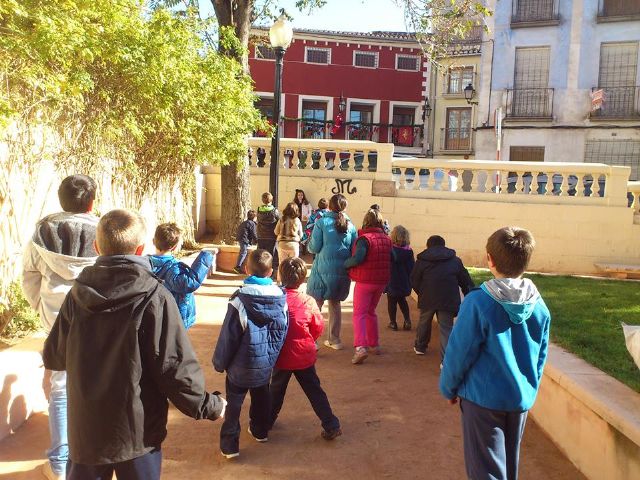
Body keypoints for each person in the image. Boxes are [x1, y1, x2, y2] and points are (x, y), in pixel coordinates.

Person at [42, 209, 225, 480]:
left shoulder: (76, 295)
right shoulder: (155, 297)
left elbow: (55, 356)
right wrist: (209, 405)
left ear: (96, 246)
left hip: (87, 433)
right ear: (141, 249)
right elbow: (174, 367)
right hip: (138, 435)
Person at [440, 227, 551, 480]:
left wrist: (449, 388)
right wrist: (529, 389)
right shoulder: (540, 306)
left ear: (489, 259)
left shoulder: (477, 302)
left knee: (486, 470)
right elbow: (540, 356)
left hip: (482, 400)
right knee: (508, 466)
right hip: (518, 399)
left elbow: (459, 353)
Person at [22, 174, 99, 480]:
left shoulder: (40, 234)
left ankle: (59, 463)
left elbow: (29, 277)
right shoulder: (102, 232)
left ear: (60, 199)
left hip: (55, 322)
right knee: (97, 383)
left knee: (59, 387)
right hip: (94, 322)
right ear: (91, 202)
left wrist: (42, 309)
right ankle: (92, 454)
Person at [213, 249, 289, 459]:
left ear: (246, 269)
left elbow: (228, 336)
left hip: (239, 367)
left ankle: (230, 446)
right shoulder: (281, 300)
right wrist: (272, 357)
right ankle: (260, 431)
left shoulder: (239, 301)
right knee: (261, 396)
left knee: (234, 404)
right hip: (265, 365)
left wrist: (220, 363)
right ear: (271, 271)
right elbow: (283, 332)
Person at [269, 258, 342, 441]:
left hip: (281, 356)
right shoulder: (308, 301)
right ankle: (330, 423)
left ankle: (265, 422)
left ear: (280, 275)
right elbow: (317, 326)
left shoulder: (274, 299)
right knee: (314, 390)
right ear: (303, 279)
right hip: (304, 355)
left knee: (275, 391)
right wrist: (308, 340)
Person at [307, 194, 357, 351]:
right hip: (342, 270)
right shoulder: (351, 226)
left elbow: (314, 247)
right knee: (335, 304)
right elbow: (354, 249)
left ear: (330, 205)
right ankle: (334, 339)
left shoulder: (321, 222)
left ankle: (312, 340)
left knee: (316, 304)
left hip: (322, 268)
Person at [411, 235, 474, 360]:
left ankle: (420, 347)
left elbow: (414, 280)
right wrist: (469, 293)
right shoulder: (455, 260)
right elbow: (465, 280)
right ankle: (446, 360)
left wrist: (421, 292)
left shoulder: (422, 261)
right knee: (446, 328)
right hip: (448, 297)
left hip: (428, 296)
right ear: (444, 245)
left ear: (428, 246)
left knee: (424, 321)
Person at [344, 209, 393, 364]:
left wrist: (346, 264)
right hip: (381, 281)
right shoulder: (387, 238)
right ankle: (374, 344)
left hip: (365, 281)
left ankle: (360, 347)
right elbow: (393, 257)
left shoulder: (364, 239)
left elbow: (358, 258)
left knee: (359, 314)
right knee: (371, 312)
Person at [149, 222, 215, 330]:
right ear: (175, 247)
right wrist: (206, 257)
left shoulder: (146, 264)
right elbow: (189, 283)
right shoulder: (173, 268)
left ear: (153, 241)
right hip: (173, 319)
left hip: (154, 315)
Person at [386, 225, 415, 331]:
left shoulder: (390, 250)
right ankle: (407, 320)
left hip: (392, 279)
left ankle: (393, 323)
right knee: (402, 300)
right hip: (404, 280)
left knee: (391, 301)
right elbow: (412, 267)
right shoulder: (409, 251)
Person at [256, 192, 280, 273]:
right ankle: (270, 271)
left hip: (261, 235)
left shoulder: (259, 210)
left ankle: (260, 270)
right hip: (271, 236)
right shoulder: (274, 210)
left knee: (261, 255)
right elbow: (278, 221)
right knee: (270, 255)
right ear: (271, 200)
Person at [274, 202, 303, 268]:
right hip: (294, 245)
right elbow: (301, 235)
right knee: (294, 266)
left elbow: (276, 232)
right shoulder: (297, 220)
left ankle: (281, 278)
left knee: (282, 265)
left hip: (282, 244)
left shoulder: (282, 219)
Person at [234, 210, 258, 274]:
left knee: (243, 251)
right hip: (243, 239)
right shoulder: (252, 223)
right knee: (243, 252)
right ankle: (237, 267)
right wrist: (257, 240)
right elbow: (254, 234)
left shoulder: (245, 222)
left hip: (241, 238)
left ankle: (239, 266)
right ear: (254, 217)